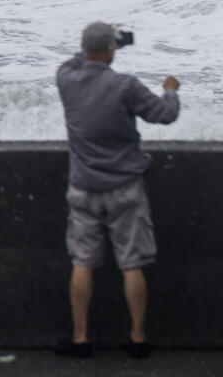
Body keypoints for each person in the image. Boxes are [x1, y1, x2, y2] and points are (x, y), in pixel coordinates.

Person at [54, 21, 180, 360]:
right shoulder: (125, 85)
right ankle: (137, 337)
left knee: (82, 262)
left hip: (82, 186)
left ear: (84, 48)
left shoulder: (66, 79)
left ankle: (80, 339)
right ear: (112, 50)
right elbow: (165, 115)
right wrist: (170, 89)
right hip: (125, 187)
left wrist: (101, 44)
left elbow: (77, 59)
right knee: (132, 263)